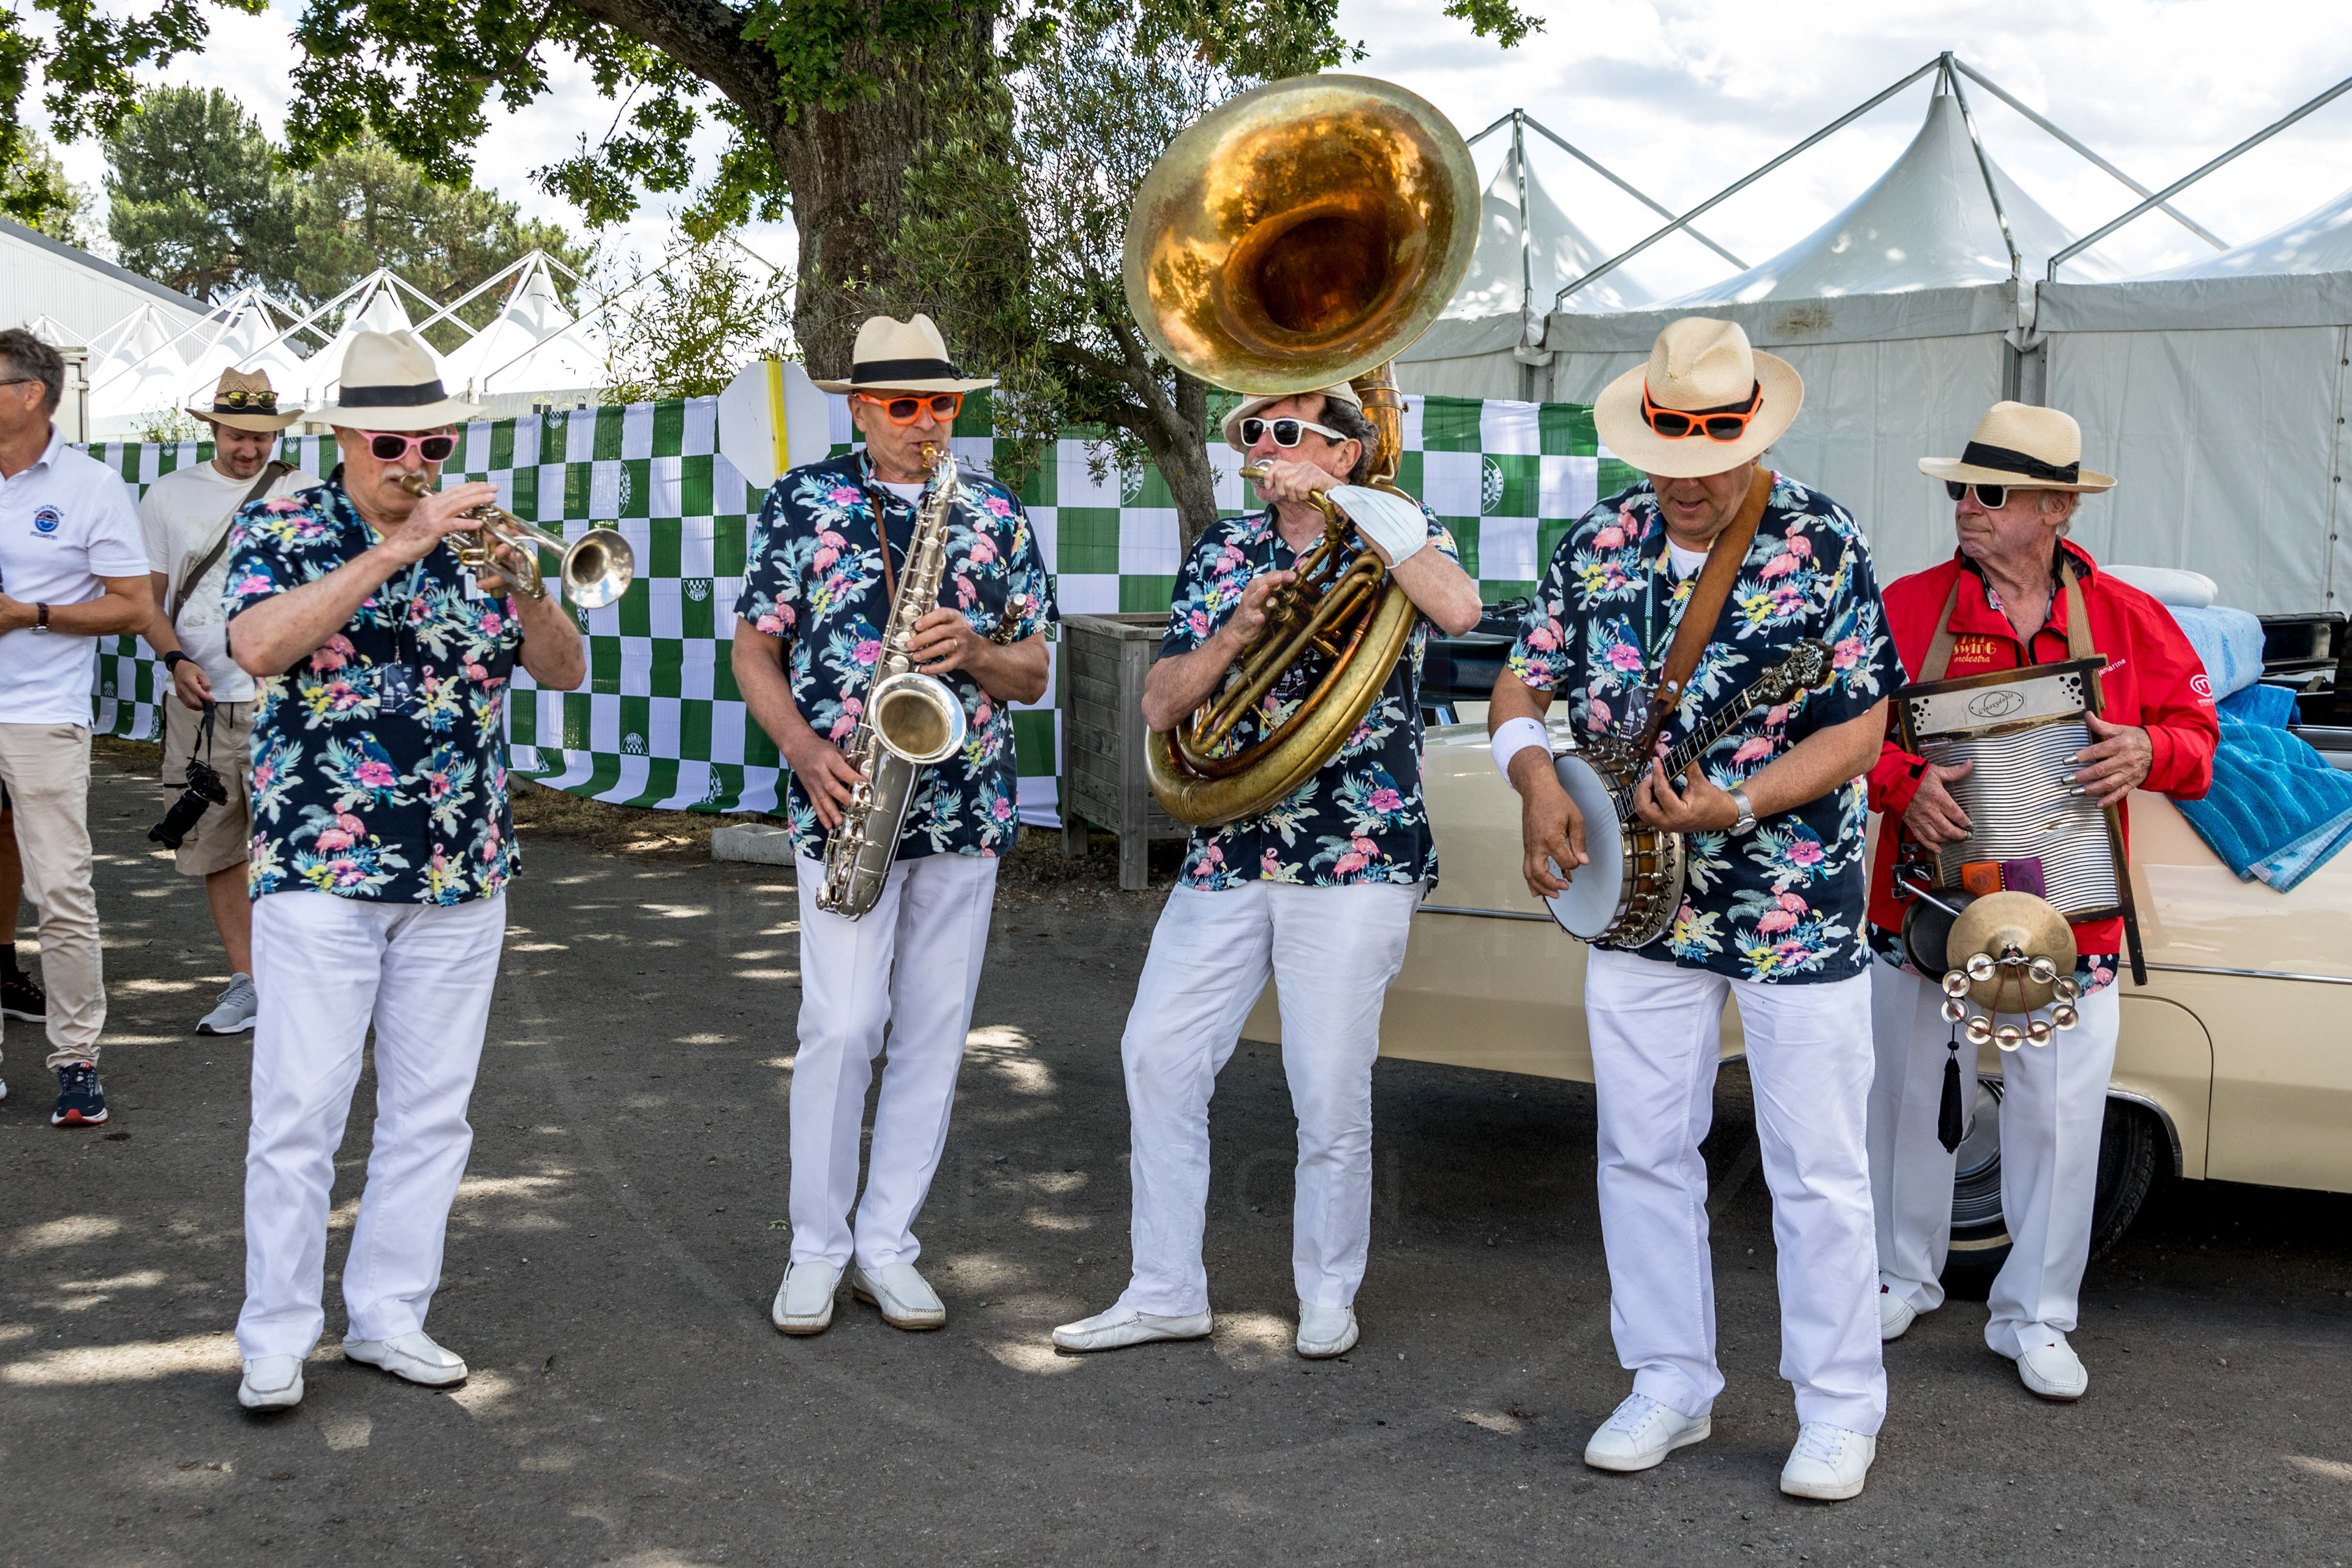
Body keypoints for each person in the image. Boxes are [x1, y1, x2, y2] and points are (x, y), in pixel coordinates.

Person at [1488, 317, 1904, 1501]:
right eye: (1667, 448)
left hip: (1793, 903)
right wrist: (1531, 781)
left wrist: (1745, 802)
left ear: (1754, 432)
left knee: (1816, 1162)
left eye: (1713, 452)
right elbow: (1526, 676)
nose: (1687, 478)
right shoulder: (1602, 539)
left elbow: (1864, 721)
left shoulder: (1820, 539)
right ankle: (1670, 1381)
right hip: (1634, 911)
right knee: (1640, 1149)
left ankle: (1838, 1408)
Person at [1052, 380, 1482, 1363]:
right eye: (1255, 433)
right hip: (1232, 845)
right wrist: (1241, 629)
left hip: (1355, 850)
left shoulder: (1401, 528)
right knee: (1157, 1054)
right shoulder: (1225, 552)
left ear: (1344, 450)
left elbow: (1458, 610)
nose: (1264, 448)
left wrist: (1358, 505)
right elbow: (1162, 705)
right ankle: (1164, 1288)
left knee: (1327, 1085)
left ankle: (1328, 1292)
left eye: (1288, 433)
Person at [222, 330, 587, 1412]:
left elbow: (562, 673)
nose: (415, 459)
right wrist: (397, 548)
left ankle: (388, 1317)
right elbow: (256, 649)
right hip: (324, 862)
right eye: (392, 441)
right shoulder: (286, 522)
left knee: (433, 1113)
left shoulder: (484, 545)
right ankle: (276, 1335)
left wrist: (527, 590)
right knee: (300, 1110)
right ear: (344, 439)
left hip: (463, 865)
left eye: (434, 439)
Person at [1863, 402, 2216, 1401]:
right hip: (1931, 902)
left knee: (2057, 1116)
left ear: (2056, 508)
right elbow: (1849, 734)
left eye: (1991, 492)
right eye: (1958, 489)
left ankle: (2037, 1314)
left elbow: (2197, 743)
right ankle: (1901, 1272)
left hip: (2068, 917)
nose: (1965, 508)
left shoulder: (2131, 620)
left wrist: (2150, 749)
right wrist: (1904, 782)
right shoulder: (1910, 605)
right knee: (1909, 1100)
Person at [733, 314, 1055, 1338]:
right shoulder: (803, 502)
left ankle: (888, 1243)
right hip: (847, 798)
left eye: (944, 405)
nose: (928, 424)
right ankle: (816, 1247)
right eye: (906, 406)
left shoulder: (995, 512)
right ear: (861, 409)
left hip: (964, 806)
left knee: (932, 1034)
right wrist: (801, 751)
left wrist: (978, 653)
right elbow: (755, 654)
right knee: (839, 1026)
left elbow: (1036, 674)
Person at [0, 326, 153, 1126]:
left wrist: (32, 612)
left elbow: (132, 605)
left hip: (40, 713)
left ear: (32, 395)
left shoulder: (92, 487)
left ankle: (77, 1063)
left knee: (60, 889)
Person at [138, 368, 319, 1036]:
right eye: (240, 436)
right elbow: (143, 600)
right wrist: (175, 660)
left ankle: (306, 984)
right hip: (202, 703)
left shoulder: (306, 492)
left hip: (291, 699)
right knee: (216, 846)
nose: (251, 450)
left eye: (264, 438)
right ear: (212, 428)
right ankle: (249, 982)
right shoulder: (168, 495)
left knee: (302, 843)